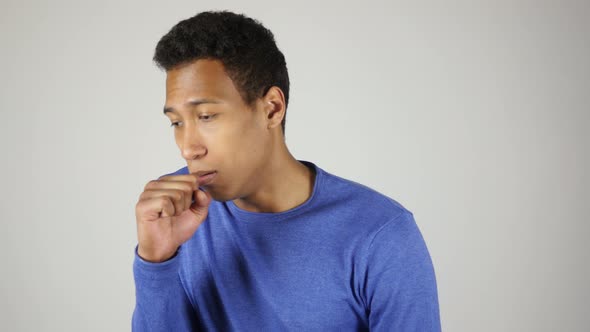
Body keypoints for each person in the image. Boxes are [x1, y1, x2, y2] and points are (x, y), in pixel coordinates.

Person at [132, 10, 441, 332]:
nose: (188, 147)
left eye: (207, 116)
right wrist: (156, 260)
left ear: (272, 109)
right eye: (176, 123)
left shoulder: (380, 233)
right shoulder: (178, 216)